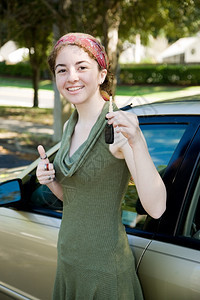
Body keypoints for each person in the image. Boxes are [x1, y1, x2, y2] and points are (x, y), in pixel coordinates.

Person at [36, 32, 166, 300]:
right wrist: (51, 181)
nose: (72, 76)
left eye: (82, 67)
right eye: (62, 70)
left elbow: (156, 207)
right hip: (69, 262)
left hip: (104, 272)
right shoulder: (71, 125)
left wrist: (138, 142)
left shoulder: (116, 128)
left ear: (101, 74)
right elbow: (78, 200)